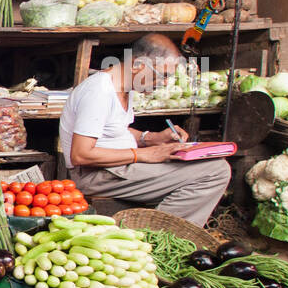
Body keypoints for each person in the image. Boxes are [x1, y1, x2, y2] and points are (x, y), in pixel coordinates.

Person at [58, 33, 232, 227]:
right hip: (98, 175)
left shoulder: (123, 88)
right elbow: (81, 155)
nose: (165, 82)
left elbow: (112, 130)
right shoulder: (99, 92)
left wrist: (151, 138)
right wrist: (144, 154)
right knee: (215, 172)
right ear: (138, 65)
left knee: (213, 163)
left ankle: (162, 233)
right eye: (163, 75)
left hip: (116, 169)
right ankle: (158, 237)